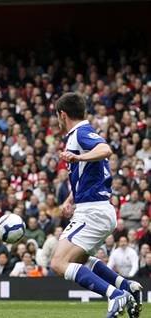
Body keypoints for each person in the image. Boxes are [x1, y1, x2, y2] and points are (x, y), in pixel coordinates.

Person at [49, 93, 141, 318]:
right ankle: (125, 286)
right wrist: (70, 199)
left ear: (63, 114)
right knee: (79, 260)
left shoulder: (80, 133)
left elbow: (105, 149)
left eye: (57, 116)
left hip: (92, 211)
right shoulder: (78, 135)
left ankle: (115, 294)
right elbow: (88, 173)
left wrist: (77, 158)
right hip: (97, 208)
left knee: (59, 263)